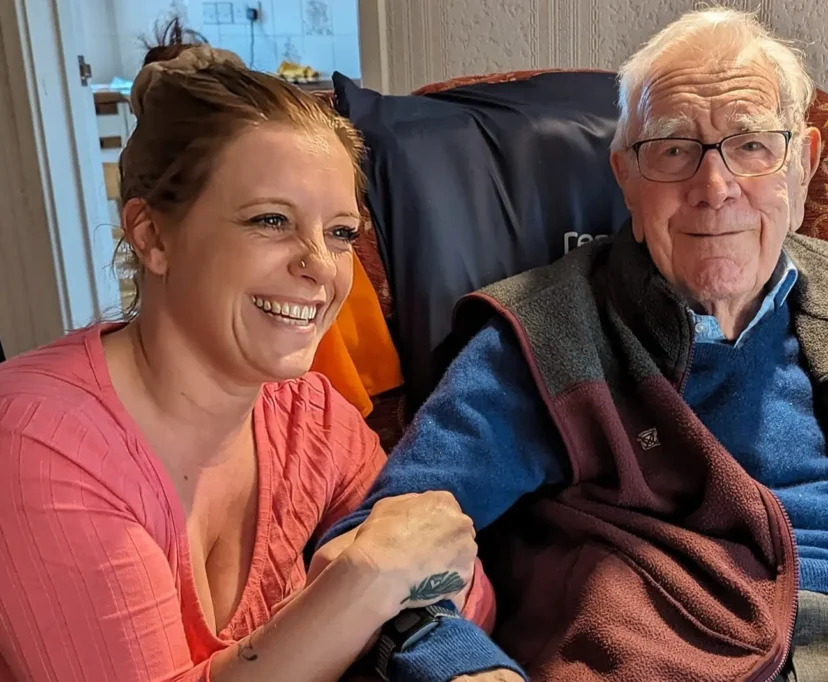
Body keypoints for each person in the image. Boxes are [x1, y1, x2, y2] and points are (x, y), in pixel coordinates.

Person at [315, 8, 828, 682]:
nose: (714, 188)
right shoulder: (544, 334)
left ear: (802, 165)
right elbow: (369, 549)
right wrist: (467, 667)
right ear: (625, 174)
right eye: (674, 149)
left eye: (751, 145)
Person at [0, 25, 524, 682]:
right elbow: (397, 569)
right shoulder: (38, 440)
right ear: (152, 234)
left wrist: (398, 592)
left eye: (338, 233)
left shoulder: (309, 419)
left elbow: (466, 593)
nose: (320, 267)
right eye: (270, 220)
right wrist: (360, 580)